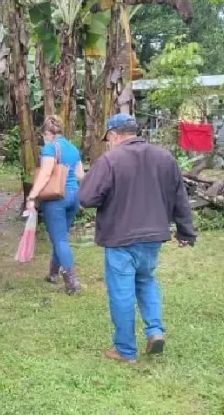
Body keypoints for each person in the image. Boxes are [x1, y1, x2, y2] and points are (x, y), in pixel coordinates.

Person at [78, 114, 196, 363]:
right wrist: (185, 231)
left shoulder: (110, 160)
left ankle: (125, 350)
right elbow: (180, 197)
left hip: (120, 238)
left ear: (114, 135)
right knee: (146, 280)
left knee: (122, 292)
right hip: (153, 236)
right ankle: (155, 330)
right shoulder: (164, 157)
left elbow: (86, 198)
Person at [25, 115, 84, 294]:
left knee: (59, 239)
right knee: (61, 237)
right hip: (74, 197)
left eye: (44, 136)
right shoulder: (73, 148)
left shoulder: (50, 148)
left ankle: (71, 280)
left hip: (56, 198)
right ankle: (52, 273)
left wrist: (32, 197)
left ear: (48, 133)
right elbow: (81, 175)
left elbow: (45, 174)